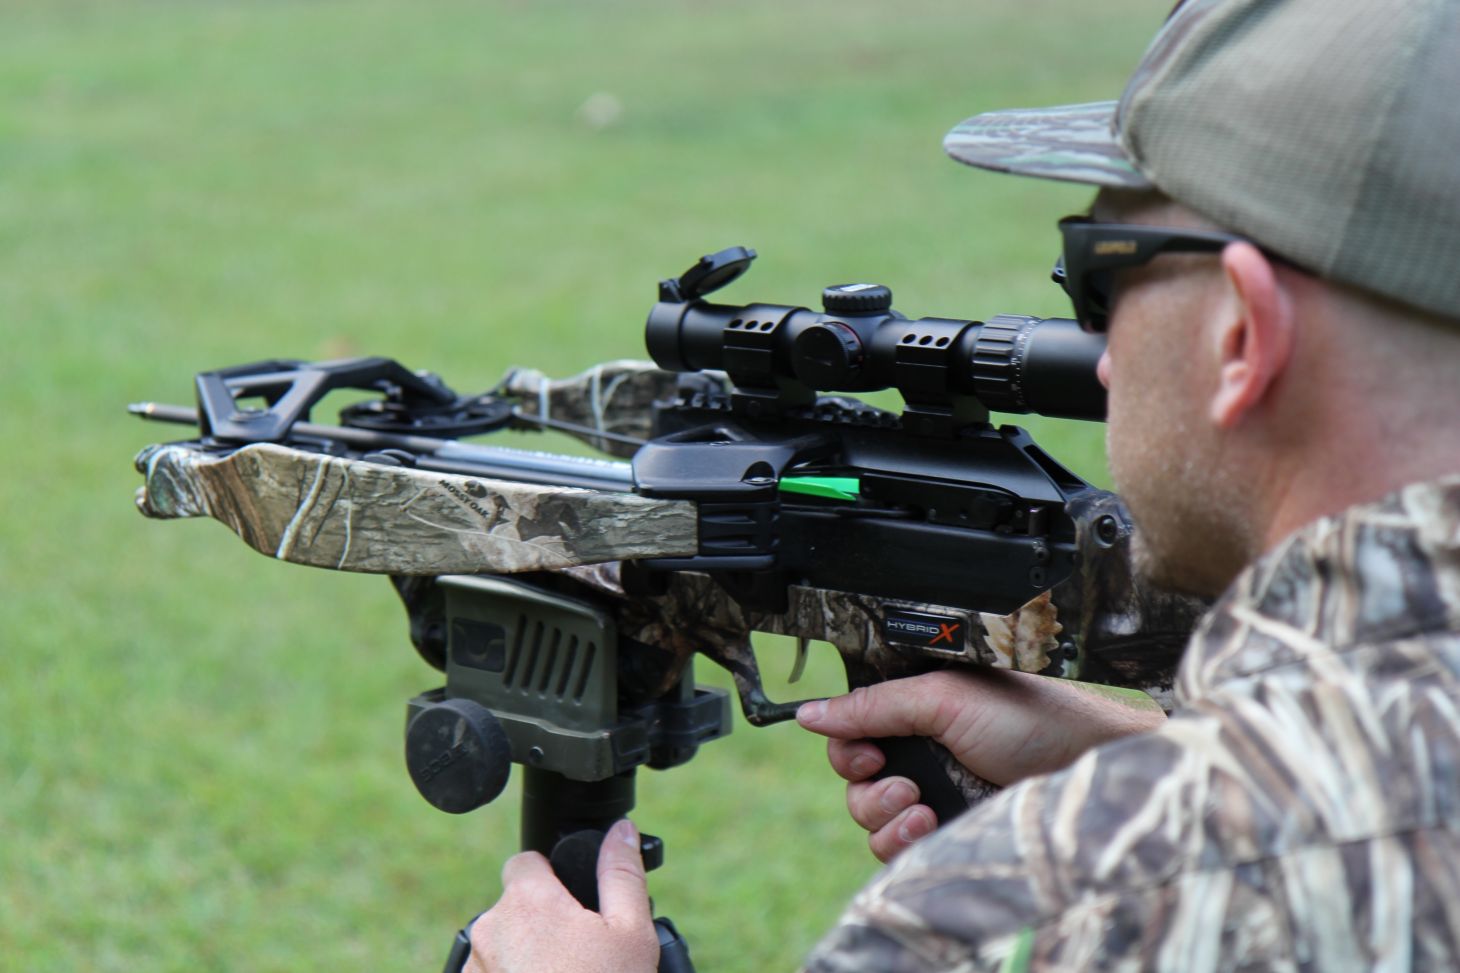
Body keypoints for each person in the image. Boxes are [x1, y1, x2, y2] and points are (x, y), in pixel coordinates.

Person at [465, 0, 1460, 968]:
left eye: (1097, 278)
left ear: (1240, 332)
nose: (1099, 350)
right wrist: (1127, 756)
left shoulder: (1018, 909)